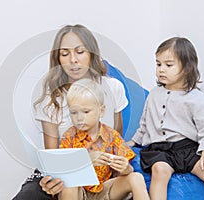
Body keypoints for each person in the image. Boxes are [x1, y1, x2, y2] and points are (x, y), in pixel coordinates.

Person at [13, 24, 128, 199]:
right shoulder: (51, 102)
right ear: (58, 59)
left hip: (102, 174)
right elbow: (53, 160)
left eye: (80, 52)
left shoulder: (112, 88)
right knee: (29, 195)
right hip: (64, 175)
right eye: (65, 54)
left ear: (91, 54)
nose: (73, 60)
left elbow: (117, 139)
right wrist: (54, 180)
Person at [127, 37, 204, 200]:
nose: (161, 69)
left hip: (187, 149)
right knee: (159, 170)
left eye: (168, 65)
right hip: (160, 150)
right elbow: (144, 124)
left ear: (186, 67)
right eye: (158, 64)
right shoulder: (154, 94)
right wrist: (133, 142)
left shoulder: (196, 98)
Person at [59, 78, 149, 200]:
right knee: (69, 183)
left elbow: (126, 171)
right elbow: (62, 169)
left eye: (86, 112)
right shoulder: (69, 136)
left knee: (136, 177)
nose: (79, 118)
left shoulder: (112, 136)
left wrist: (126, 169)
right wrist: (86, 160)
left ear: (101, 111)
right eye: (74, 112)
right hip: (79, 193)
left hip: (105, 191)